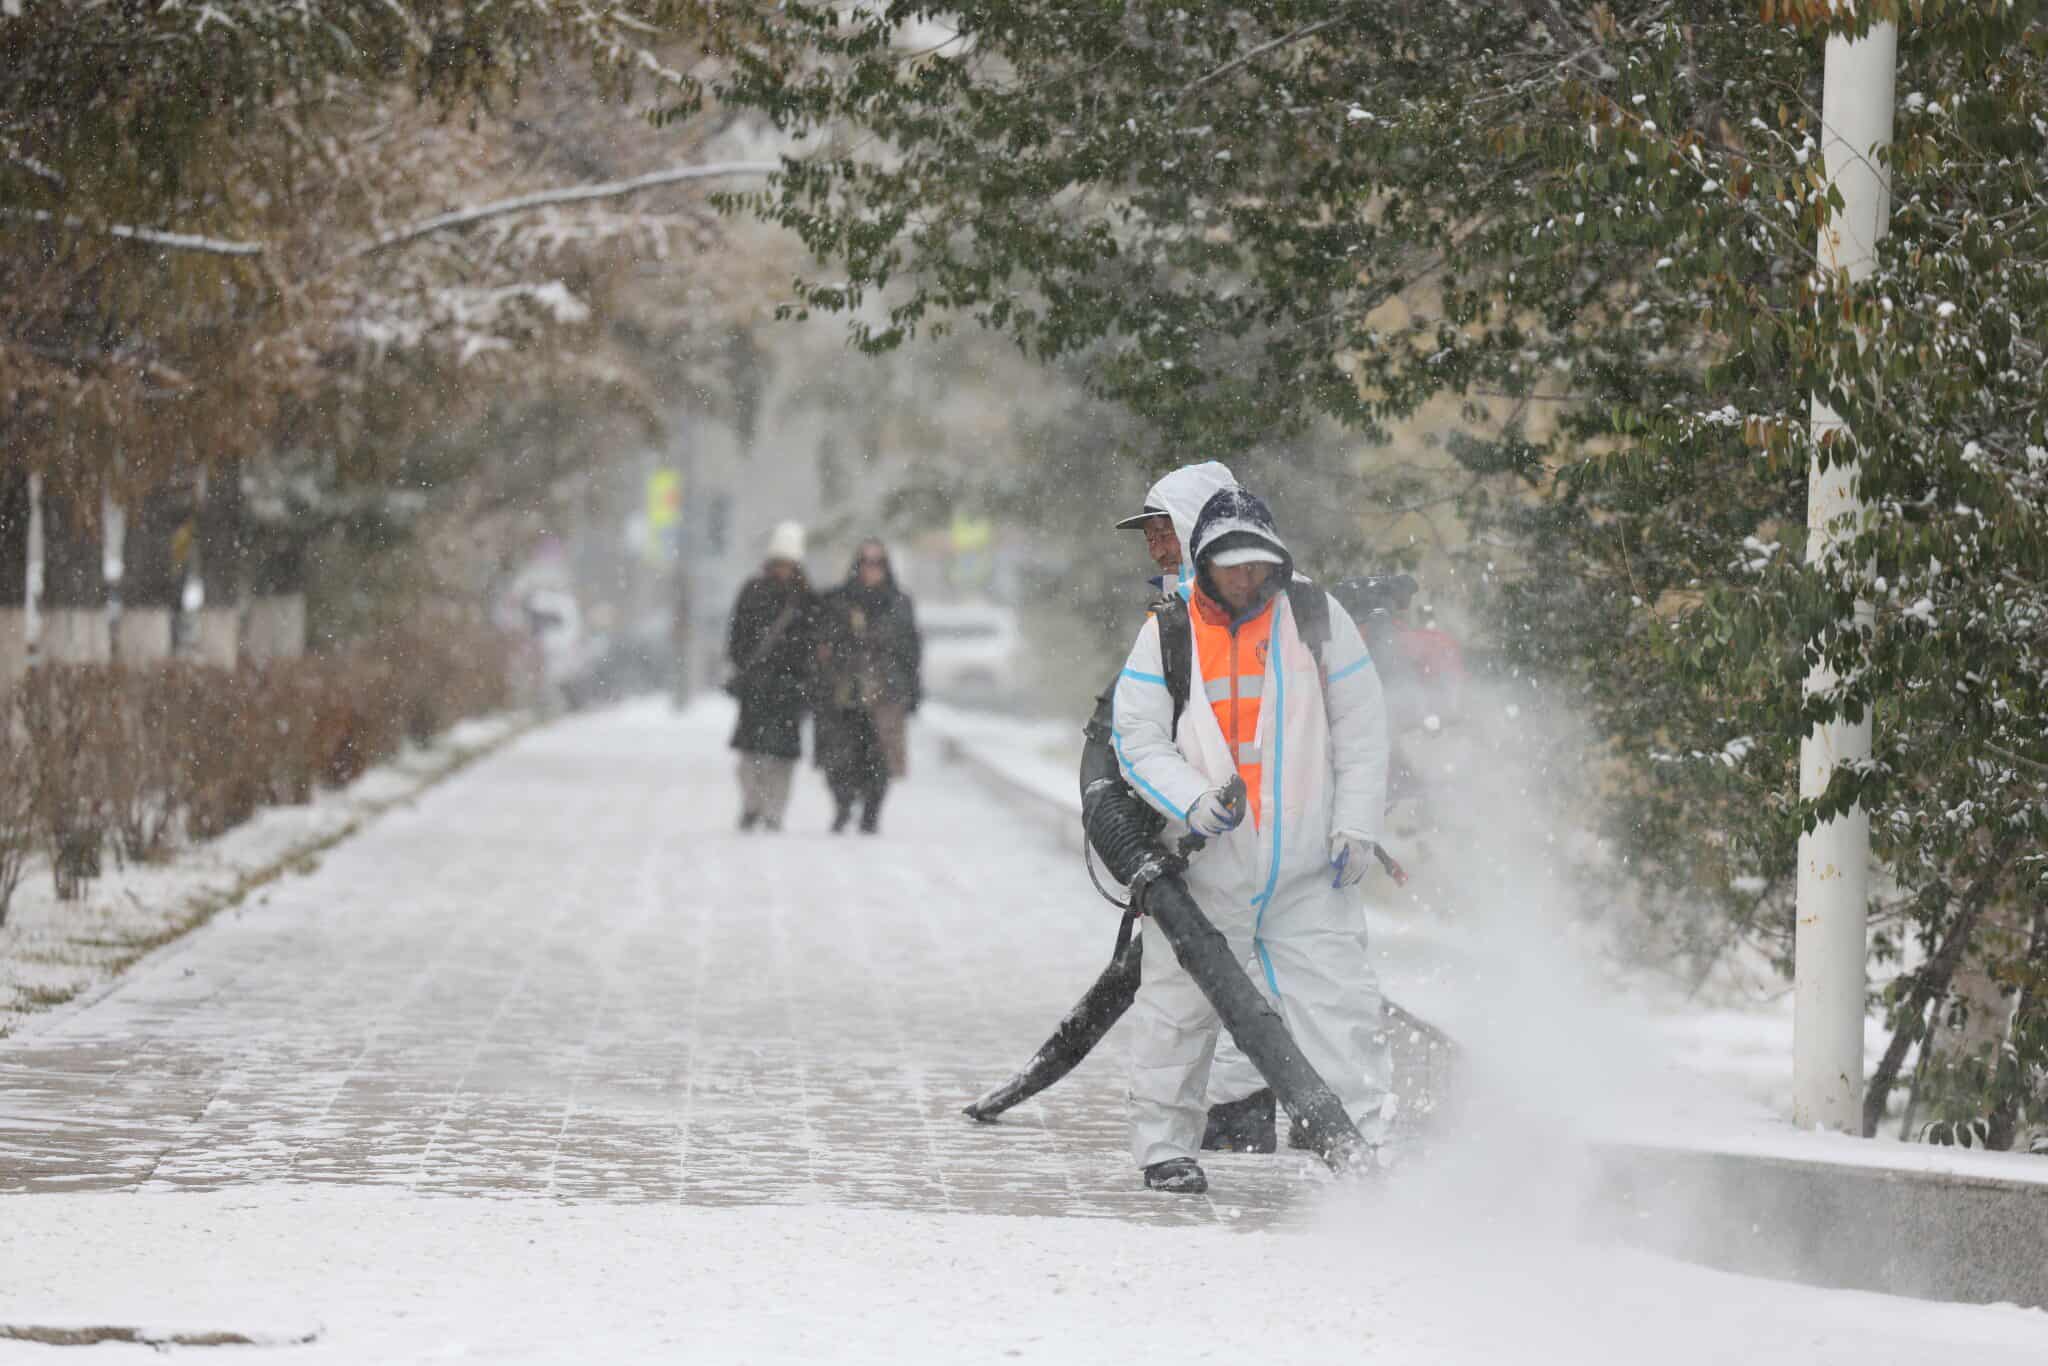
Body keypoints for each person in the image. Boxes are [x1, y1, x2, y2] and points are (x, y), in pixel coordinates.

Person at [1110, 485, 1394, 1194]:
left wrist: (1356, 823)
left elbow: (1363, 730)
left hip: (1308, 867)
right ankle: (1162, 1149)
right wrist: (1193, 802)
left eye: (1256, 564)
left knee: (1339, 1005)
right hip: (1209, 867)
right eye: (1231, 565)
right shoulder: (1169, 631)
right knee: (1178, 1008)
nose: (1246, 579)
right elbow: (1136, 737)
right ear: (1204, 561)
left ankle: (1360, 1147)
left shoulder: (1315, 616)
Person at [814, 538, 922, 834]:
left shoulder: (898, 603)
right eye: (866, 563)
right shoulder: (838, 600)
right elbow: (823, 643)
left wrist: (912, 691)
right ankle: (843, 806)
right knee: (840, 756)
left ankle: (871, 813)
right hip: (843, 689)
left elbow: (910, 650)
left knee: (880, 757)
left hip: (885, 691)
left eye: (877, 564)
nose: (871, 570)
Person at [725, 521, 816, 832]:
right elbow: (737, 637)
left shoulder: (805, 599)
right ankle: (753, 804)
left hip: (791, 688)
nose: (784, 568)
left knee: (783, 757)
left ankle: (774, 810)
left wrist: (801, 676)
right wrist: (746, 668)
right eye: (780, 562)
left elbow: (813, 645)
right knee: (750, 754)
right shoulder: (753, 591)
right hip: (757, 685)